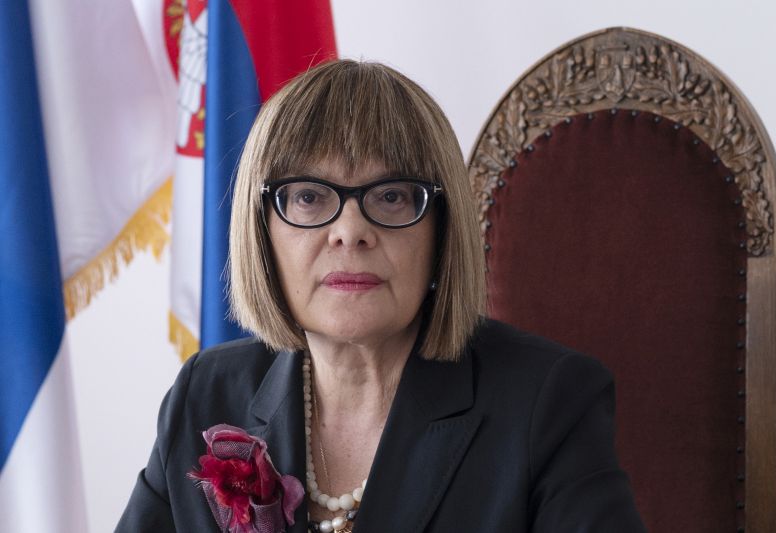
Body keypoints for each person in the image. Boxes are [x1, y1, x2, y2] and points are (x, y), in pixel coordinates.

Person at [117, 59, 645, 533]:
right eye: (309, 196)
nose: (350, 232)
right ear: (261, 231)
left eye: (391, 196)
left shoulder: (547, 403)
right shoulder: (205, 394)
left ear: (441, 230)